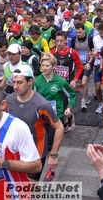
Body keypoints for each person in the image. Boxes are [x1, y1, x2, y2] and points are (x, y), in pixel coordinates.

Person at [6, 65, 64, 182]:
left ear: (30, 81)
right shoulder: (8, 100)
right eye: (14, 82)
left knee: (29, 191)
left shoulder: (41, 104)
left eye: (20, 82)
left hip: (35, 154)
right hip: (14, 152)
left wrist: (53, 155)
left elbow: (59, 127)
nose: (15, 86)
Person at [35, 53, 75, 181]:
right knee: (39, 143)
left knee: (51, 146)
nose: (44, 68)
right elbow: (32, 97)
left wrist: (68, 108)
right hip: (40, 118)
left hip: (55, 117)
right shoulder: (37, 81)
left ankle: (50, 170)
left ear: (53, 67)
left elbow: (71, 96)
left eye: (47, 65)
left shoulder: (61, 81)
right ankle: (37, 168)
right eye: (42, 65)